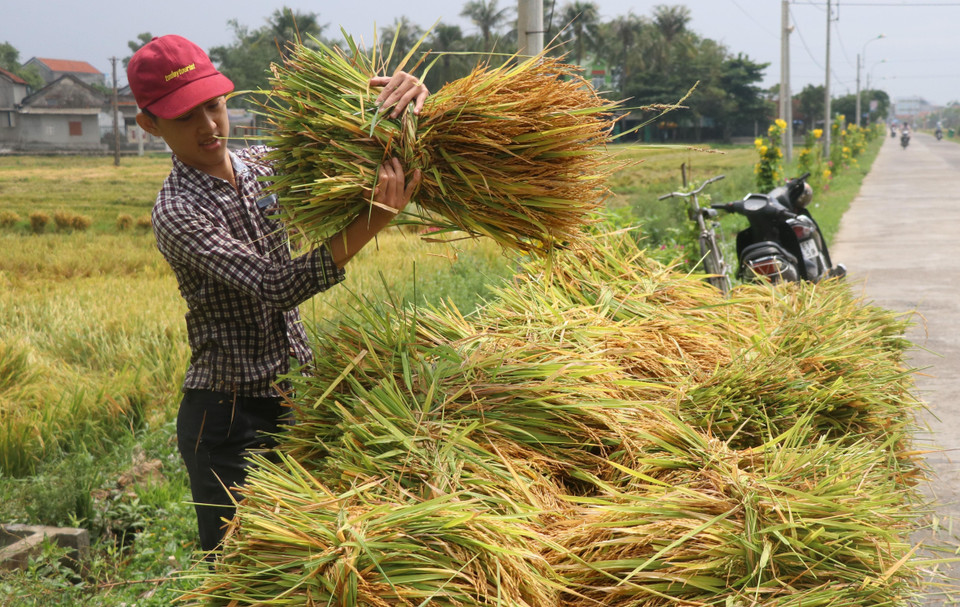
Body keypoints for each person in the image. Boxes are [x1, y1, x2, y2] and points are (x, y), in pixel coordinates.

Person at [127, 34, 428, 555]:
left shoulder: (266, 165)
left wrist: (409, 102)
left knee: (314, 559)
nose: (208, 126)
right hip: (227, 419)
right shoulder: (177, 212)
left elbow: (353, 143)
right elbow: (275, 286)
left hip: (297, 397)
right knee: (248, 569)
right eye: (184, 118)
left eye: (214, 106)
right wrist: (374, 221)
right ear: (149, 124)